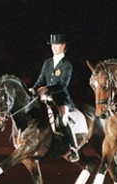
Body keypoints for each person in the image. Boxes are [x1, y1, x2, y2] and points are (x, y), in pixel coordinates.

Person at [29, 34, 79, 162]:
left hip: (61, 99)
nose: (54, 47)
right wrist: (33, 89)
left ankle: (73, 148)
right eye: (52, 45)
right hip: (45, 98)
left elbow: (63, 85)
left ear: (63, 46)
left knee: (63, 120)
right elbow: (40, 80)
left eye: (56, 45)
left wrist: (47, 89)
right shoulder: (48, 62)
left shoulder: (67, 64)